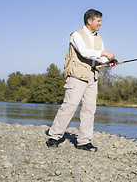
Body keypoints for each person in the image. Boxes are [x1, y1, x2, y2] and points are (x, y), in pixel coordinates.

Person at [46, 9, 116, 151]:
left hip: (93, 75)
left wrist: (108, 61)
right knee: (69, 105)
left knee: (90, 109)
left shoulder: (98, 38)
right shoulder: (76, 35)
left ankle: (84, 141)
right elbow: (84, 52)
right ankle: (54, 136)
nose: (100, 24)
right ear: (89, 21)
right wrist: (104, 53)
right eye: (98, 21)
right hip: (77, 75)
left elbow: (99, 58)